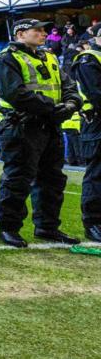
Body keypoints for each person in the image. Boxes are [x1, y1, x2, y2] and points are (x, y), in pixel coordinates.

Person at [0, 18, 82, 247]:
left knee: (52, 179)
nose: (44, 33)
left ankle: (47, 227)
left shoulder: (50, 57)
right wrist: (54, 110)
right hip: (22, 126)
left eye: (44, 30)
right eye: (37, 30)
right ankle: (9, 228)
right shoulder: (6, 58)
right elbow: (16, 94)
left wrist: (71, 105)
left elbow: (69, 86)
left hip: (49, 127)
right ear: (20, 34)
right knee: (18, 179)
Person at [71, 22, 101, 243]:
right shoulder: (88, 59)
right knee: (97, 173)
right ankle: (93, 222)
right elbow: (96, 93)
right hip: (97, 123)